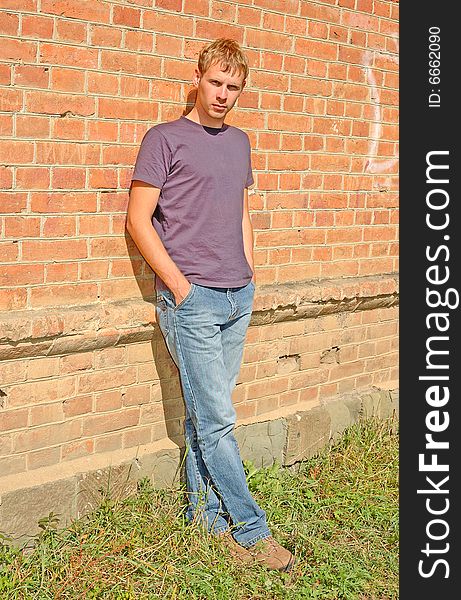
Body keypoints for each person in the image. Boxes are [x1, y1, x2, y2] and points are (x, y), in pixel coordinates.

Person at [126, 38, 296, 572]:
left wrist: (250, 272)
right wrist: (180, 287)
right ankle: (252, 531)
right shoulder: (164, 139)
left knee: (207, 416)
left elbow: (242, 209)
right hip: (192, 301)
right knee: (219, 418)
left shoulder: (241, 142)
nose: (223, 94)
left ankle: (205, 521)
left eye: (234, 87)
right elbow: (137, 220)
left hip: (236, 295)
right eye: (216, 83)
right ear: (198, 79)